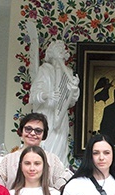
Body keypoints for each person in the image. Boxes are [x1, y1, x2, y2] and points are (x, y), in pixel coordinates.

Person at [30, 39, 80, 167]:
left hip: (60, 117)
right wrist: (48, 95)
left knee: (60, 145)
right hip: (46, 115)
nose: (61, 53)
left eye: (62, 51)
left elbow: (72, 101)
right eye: (58, 50)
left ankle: (58, 173)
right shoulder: (44, 70)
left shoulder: (67, 72)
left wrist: (74, 89)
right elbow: (34, 95)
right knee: (45, 144)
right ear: (51, 53)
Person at [0, 112, 71, 190]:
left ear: (44, 135)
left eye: (38, 131)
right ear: (21, 131)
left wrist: (53, 193)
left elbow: (65, 178)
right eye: (28, 129)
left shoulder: (52, 159)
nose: (32, 133)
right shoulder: (9, 159)